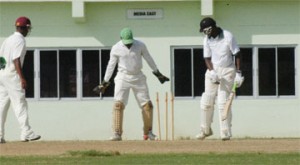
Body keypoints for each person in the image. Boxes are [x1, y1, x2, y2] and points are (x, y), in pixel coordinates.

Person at [93, 27, 169, 141]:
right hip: (122, 77)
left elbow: (149, 58)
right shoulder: (116, 48)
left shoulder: (140, 45)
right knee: (118, 104)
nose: (129, 45)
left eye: (130, 43)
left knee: (148, 106)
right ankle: (117, 133)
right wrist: (104, 82)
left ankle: (148, 132)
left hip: (138, 77)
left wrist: (157, 73)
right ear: (121, 39)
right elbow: (111, 65)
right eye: (126, 43)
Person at [196, 17, 244, 141]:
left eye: (206, 30)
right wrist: (212, 72)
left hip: (228, 69)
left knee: (223, 101)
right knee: (207, 100)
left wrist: (238, 73)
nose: (205, 33)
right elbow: (207, 58)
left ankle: (225, 131)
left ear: (211, 28)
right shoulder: (206, 39)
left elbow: (237, 54)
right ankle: (205, 130)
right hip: (213, 69)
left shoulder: (228, 36)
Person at [0, 16, 41, 143]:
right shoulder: (20, 40)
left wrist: (2, 73)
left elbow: (1, 59)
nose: (28, 31)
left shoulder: (7, 40)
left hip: (3, 74)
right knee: (20, 103)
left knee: (2, 106)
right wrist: (22, 77)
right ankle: (27, 132)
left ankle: (1, 135)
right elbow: (16, 59)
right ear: (26, 28)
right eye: (28, 29)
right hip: (13, 75)